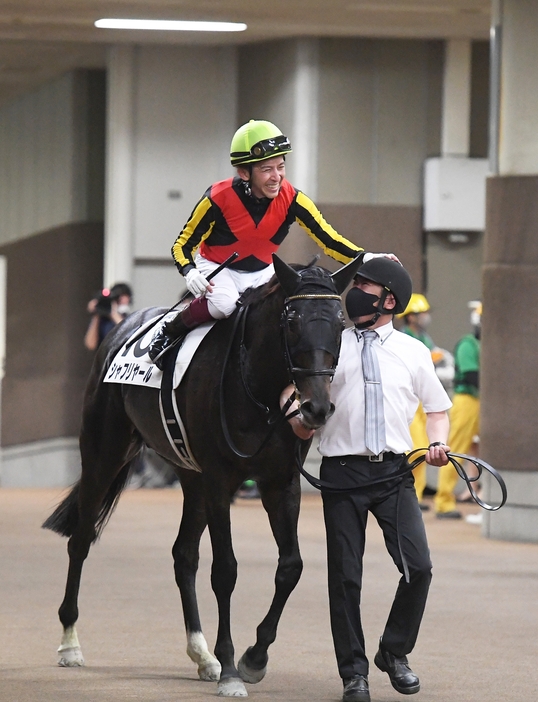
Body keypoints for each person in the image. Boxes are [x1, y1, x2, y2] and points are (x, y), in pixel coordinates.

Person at [285, 258, 452, 702]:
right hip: (341, 473)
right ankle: (353, 675)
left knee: (419, 568)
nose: (353, 290)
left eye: (363, 284)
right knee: (345, 578)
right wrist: (300, 422)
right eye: (354, 282)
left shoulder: (414, 351)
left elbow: (437, 408)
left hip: (394, 473)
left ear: (389, 300)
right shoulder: (332, 344)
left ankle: (393, 652)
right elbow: (298, 399)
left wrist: (438, 444)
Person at [148, 119, 395, 368]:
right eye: (267, 169)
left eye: (281, 166)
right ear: (244, 172)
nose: (276, 177)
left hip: (261, 271)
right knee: (224, 305)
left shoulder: (294, 199)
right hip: (216, 266)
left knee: (284, 311)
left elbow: (328, 239)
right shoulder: (217, 197)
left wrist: (365, 258)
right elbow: (181, 245)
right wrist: (189, 271)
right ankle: (171, 329)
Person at [397, 294, 454, 510]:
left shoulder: (423, 337)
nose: (426, 317)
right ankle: (411, 497)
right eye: (423, 313)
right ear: (411, 317)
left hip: (423, 400)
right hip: (410, 400)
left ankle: (415, 497)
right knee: (417, 449)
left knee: (421, 450)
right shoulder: (404, 338)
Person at [434, 301, 481, 520]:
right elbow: (473, 375)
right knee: (456, 450)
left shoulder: (487, 345)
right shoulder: (468, 344)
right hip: (467, 401)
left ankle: (476, 493)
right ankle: (444, 501)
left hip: (481, 402)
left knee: (477, 450)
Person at [84, 282, 133, 351]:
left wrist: (114, 314)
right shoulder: (102, 320)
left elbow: (129, 335)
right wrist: (96, 315)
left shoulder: (130, 319)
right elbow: (91, 345)